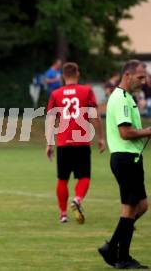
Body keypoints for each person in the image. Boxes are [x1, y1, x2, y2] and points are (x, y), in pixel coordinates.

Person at [98, 60, 150, 269]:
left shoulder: (127, 97)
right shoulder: (120, 99)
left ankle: (113, 247)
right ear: (127, 75)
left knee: (142, 206)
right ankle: (120, 256)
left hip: (131, 158)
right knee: (129, 209)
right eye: (140, 77)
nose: (144, 81)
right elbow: (125, 133)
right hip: (125, 158)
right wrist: (148, 131)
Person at [46, 62, 106, 224]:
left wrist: (49, 143)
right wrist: (101, 138)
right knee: (84, 176)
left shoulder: (56, 93)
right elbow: (94, 115)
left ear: (63, 76)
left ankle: (63, 214)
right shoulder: (86, 91)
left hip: (64, 143)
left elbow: (51, 119)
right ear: (77, 74)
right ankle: (78, 199)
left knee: (62, 179)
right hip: (81, 142)